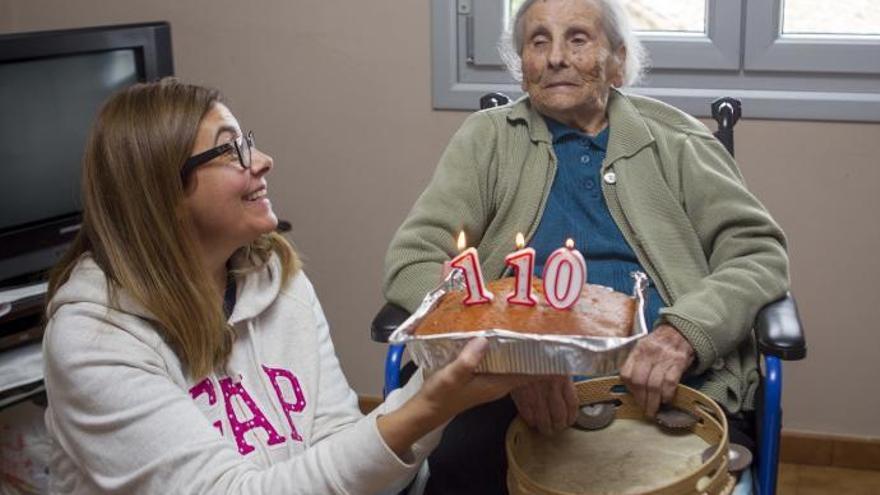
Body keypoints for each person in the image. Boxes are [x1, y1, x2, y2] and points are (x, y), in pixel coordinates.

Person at [42, 78, 532, 494]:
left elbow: (338, 449)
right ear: (162, 192)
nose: (263, 161)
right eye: (231, 149)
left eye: (248, 141)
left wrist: (440, 379)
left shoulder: (278, 283)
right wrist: (427, 406)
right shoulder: (94, 342)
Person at [382, 0, 789, 493]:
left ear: (617, 61)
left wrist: (684, 334)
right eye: (538, 41)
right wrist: (513, 360)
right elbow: (413, 260)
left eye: (577, 38)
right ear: (522, 64)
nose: (555, 57)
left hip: (669, 384)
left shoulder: (678, 141)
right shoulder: (486, 141)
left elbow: (756, 251)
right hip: (503, 393)